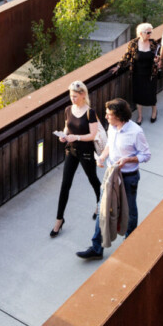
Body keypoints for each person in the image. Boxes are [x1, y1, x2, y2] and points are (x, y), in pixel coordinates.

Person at [76, 99, 150, 261]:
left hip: (128, 178)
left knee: (129, 211)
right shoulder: (112, 127)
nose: (106, 117)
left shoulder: (136, 132)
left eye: (109, 115)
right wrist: (102, 157)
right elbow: (110, 144)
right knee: (103, 209)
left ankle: (129, 242)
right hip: (111, 174)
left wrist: (127, 160)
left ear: (120, 116)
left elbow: (146, 155)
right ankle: (97, 247)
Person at [51, 81, 103, 237]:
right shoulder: (68, 109)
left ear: (83, 95)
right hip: (71, 151)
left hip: (86, 152)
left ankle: (100, 204)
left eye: (75, 96)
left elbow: (93, 135)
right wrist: (64, 136)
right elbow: (67, 127)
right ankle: (59, 220)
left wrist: (77, 137)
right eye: (70, 96)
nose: (72, 99)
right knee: (65, 185)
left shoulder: (90, 112)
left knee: (93, 179)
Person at [113, 23, 161, 121]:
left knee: (151, 94)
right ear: (140, 33)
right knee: (138, 95)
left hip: (151, 74)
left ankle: (154, 112)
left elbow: (158, 55)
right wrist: (118, 66)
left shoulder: (153, 43)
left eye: (150, 32)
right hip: (137, 74)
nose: (149, 34)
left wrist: (157, 60)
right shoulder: (133, 43)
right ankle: (140, 116)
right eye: (147, 33)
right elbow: (127, 56)